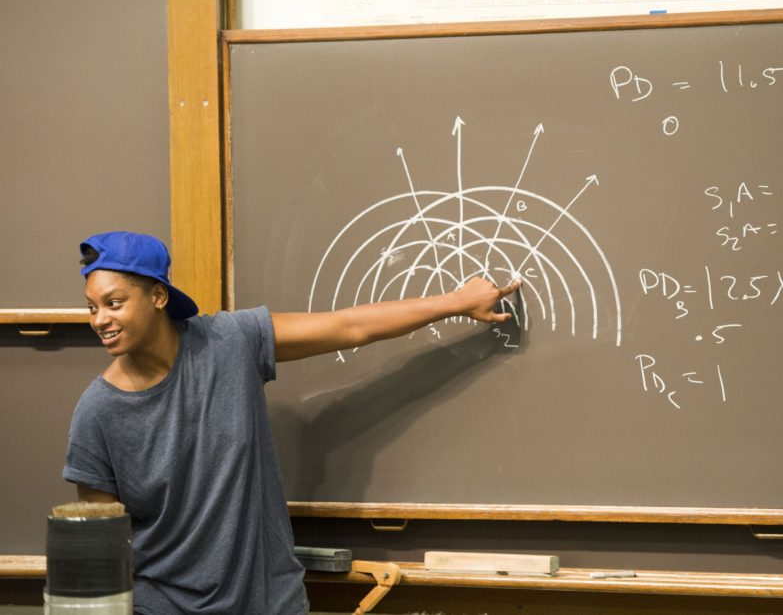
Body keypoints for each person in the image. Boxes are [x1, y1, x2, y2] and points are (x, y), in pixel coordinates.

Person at [62, 231, 520, 614]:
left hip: (269, 603)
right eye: (92, 307)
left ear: (158, 296)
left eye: (114, 303)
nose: (100, 320)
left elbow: (348, 327)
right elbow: (102, 552)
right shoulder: (97, 412)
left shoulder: (229, 342)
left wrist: (457, 302)